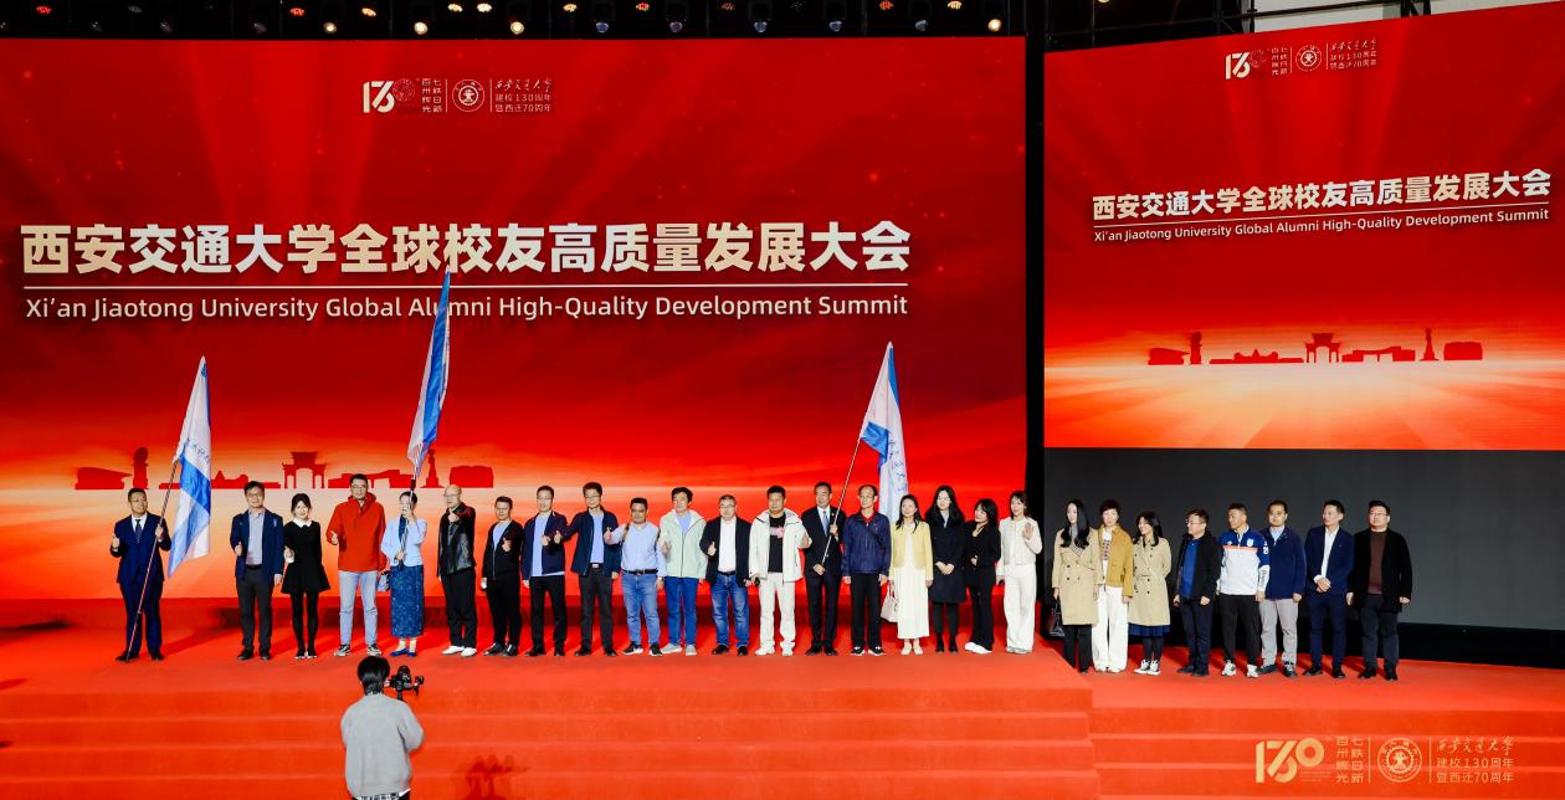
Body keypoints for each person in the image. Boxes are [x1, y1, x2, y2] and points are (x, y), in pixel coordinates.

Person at [341, 655, 423, 800]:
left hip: (361, 790)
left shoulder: (351, 713)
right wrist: (397, 747)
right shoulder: (399, 708)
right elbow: (415, 740)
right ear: (385, 681)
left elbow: (349, 744)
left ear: (361, 681)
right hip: (395, 787)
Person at [1348, 500, 1413, 681]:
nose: (1375, 517)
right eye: (1372, 513)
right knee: (1368, 633)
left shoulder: (1397, 539)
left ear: (1388, 518)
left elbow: (1406, 568)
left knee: (1389, 632)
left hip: (1389, 595)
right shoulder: (1359, 538)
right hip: (1365, 595)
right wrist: (1350, 590)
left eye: (1379, 514)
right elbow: (1351, 568)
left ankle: (1390, 667)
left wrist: (1405, 592)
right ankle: (1370, 667)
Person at [328, 474, 388, 658]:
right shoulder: (341, 508)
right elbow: (332, 530)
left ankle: (371, 644)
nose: (359, 489)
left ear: (367, 487)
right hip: (347, 566)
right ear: (350, 488)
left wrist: (381, 564)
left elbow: (382, 537)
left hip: (370, 566)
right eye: (355, 486)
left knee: (370, 607)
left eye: (362, 486)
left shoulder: (378, 508)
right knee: (346, 608)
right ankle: (345, 644)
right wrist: (333, 537)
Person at [747, 485, 810, 657]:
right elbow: (752, 548)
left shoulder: (794, 521)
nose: (774, 503)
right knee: (766, 611)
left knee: (787, 610)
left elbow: (803, 540)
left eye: (778, 500)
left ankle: (787, 643)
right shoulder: (759, 521)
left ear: (785, 500)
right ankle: (767, 644)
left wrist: (805, 541)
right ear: (768, 501)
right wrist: (754, 572)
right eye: (771, 500)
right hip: (765, 574)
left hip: (786, 574)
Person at [110, 487, 171, 662]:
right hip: (129, 577)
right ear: (129, 503)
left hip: (152, 576)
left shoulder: (158, 521)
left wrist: (161, 537)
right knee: (132, 614)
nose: (141, 503)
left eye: (143, 499)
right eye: (136, 500)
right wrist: (115, 547)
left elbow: (167, 546)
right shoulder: (120, 525)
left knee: (152, 612)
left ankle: (155, 650)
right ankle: (131, 650)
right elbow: (117, 552)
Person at [230, 480, 285, 661]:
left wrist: (278, 571)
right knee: (245, 611)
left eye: (258, 494)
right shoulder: (239, 520)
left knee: (264, 611)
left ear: (264, 496)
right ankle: (247, 647)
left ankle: (264, 648)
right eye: (251, 495)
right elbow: (234, 539)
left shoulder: (275, 520)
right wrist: (236, 547)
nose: (255, 498)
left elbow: (279, 547)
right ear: (246, 497)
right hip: (244, 573)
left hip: (264, 572)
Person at [566, 482, 620, 657]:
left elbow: (617, 544)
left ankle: (608, 646)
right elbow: (567, 532)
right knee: (586, 611)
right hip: (586, 571)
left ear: (600, 496)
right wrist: (556, 536)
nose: (590, 499)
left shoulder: (610, 518)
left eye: (594, 496)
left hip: (605, 571)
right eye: (587, 496)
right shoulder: (581, 518)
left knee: (606, 610)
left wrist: (615, 568)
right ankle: (586, 647)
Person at [1216, 503, 1269, 678]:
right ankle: (1229, 663)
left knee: (1251, 630)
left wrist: (1261, 588)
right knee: (1227, 629)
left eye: (1233, 516)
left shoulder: (1258, 538)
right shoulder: (1224, 538)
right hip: (1227, 592)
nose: (1230, 519)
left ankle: (1252, 664)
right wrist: (1218, 585)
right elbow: (1218, 565)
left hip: (1249, 592)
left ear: (1244, 517)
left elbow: (1264, 566)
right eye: (1229, 516)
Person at [1304, 499, 1354, 678]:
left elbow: (1347, 566)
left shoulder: (1348, 538)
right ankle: (1316, 665)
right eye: (1324, 512)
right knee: (1314, 628)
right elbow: (1307, 558)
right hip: (1315, 589)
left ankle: (1337, 667)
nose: (1326, 516)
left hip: (1336, 591)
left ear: (1340, 516)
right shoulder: (1314, 533)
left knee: (1338, 629)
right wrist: (1318, 579)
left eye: (1330, 513)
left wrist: (1328, 582)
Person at [609, 498, 666, 656]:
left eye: (641, 511)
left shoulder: (655, 530)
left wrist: (661, 577)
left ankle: (654, 644)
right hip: (628, 578)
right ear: (630, 511)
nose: (637, 514)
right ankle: (636, 643)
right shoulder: (625, 528)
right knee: (632, 613)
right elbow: (611, 539)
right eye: (634, 510)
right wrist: (608, 536)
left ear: (647, 512)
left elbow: (660, 555)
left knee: (651, 613)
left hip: (648, 577)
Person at [521, 485, 571, 657]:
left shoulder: (559, 519)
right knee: (536, 612)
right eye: (540, 498)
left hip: (554, 573)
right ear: (537, 499)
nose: (543, 502)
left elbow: (562, 533)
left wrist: (552, 539)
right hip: (534, 575)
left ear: (552, 500)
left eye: (546, 498)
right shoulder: (530, 523)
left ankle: (559, 646)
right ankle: (538, 646)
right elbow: (525, 551)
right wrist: (525, 574)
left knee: (559, 611)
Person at [1258, 499, 1306, 677]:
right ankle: (1268, 661)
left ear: (1285, 516)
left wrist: (1298, 589)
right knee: (1267, 628)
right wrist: (1258, 588)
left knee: (1289, 629)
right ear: (1267, 515)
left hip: (1288, 593)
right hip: (1265, 592)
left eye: (1279, 513)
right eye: (1272, 513)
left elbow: (1301, 565)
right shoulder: (1261, 536)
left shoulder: (1293, 537)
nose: (1275, 516)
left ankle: (1289, 662)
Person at [841, 484, 891, 656]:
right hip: (856, 571)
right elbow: (846, 547)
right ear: (858, 498)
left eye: (868, 496)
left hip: (875, 571)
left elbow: (888, 548)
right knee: (857, 609)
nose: (864, 499)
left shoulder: (882, 521)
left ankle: (875, 643)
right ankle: (857, 643)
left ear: (875, 499)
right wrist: (846, 571)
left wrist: (885, 571)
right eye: (862, 496)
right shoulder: (851, 521)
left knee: (875, 609)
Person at [1172, 509, 1222, 676]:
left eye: (1192, 522)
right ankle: (1192, 663)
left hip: (1201, 596)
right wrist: (1177, 592)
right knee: (1189, 632)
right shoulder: (1186, 541)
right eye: (1188, 522)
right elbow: (1180, 568)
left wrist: (1208, 594)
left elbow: (1214, 571)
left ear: (1203, 525)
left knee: (1202, 633)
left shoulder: (1211, 544)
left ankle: (1202, 666)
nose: (1188, 525)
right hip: (1185, 594)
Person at [659, 486, 707, 656]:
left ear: (689, 501)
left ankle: (690, 643)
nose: (678, 502)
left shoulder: (699, 522)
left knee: (690, 609)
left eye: (682, 499)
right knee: (672, 608)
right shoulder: (666, 519)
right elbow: (663, 539)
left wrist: (701, 572)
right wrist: (664, 546)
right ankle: (674, 642)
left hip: (691, 572)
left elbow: (702, 549)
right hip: (671, 571)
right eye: (675, 499)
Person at [700, 494, 751, 655]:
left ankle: (742, 644)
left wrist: (750, 574)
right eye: (723, 506)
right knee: (718, 612)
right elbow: (703, 542)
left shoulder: (746, 527)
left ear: (736, 507)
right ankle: (722, 643)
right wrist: (708, 548)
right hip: (718, 576)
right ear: (719, 508)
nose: (726, 509)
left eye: (729, 506)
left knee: (741, 612)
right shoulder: (711, 525)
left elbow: (752, 552)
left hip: (738, 575)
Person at [1051, 499, 1099, 672]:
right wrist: (1056, 586)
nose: (1071, 515)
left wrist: (1097, 584)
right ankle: (1069, 664)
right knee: (1069, 628)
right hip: (1067, 582)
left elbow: (1097, 560)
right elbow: (1057, 562)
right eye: (1069, 512)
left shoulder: (1092, 534)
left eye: (1075, 512)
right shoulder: (1061, 534)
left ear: (1081, 514)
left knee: (1085, 627)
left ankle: (1084, 665)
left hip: (1086, 582)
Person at [799, 481, 844, 656]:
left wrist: (837, 534)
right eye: (817, 494)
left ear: (830, 496)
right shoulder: (807, 516)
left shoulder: (839, 515)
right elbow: (804, 543)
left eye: (824, 493)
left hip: (833, 568)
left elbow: (845, 540)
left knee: (832, 606)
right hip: (814, 568)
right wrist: (813, 563)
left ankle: (829, 643)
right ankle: (816, 642)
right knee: (814, 605)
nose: (820, 497)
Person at [283, 493, 330, 659]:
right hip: (295, 571)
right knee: (296, 611)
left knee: (312, 610)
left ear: (309, 508)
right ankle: (300, 647)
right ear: (293, 510)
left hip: (312, 571)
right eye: (298, 507)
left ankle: (311, 646)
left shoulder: (315, 526)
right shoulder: (288, 527)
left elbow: (318, 551)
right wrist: (287, 554)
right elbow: (286, 552)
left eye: (304, 506)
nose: (302, 510)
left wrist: (318, 570)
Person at [381, 492, 427, 658]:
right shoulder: (392, 523)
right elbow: (384, 545)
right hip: (397, 568)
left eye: (408, 503)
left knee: (414, 604)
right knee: (399, 605)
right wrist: (395, 554)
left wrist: (411, 520)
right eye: (401, 503)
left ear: (414, 505)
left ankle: (413, 644)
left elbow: (417, 539)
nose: (404, 506)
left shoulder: (420, 522)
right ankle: (401, 643)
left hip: (413, 568)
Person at [1091, 499, 1133, 672]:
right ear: (1102, 515)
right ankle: (1101, 661)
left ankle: (1116, 662)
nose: (1109, 517)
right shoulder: (1094, 535)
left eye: (1113, 513)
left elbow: (1129, 565)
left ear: (1118, 516)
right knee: (1098, 624)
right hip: (1098, 585)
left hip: (1117, 586)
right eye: (1106, 513)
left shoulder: (1124, 537)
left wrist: (1127, 590)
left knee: (1118, 624)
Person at [435, 485, 478, 657]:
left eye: (453, 495)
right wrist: (439, 569)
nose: (449, 498)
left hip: (463, 566)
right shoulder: (444, 517)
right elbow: (441, 544)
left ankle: (470, 643)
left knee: (466, 605)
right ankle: (456, 642)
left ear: (460, 495)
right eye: (447, 495)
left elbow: (466, 518)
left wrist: (457, 518)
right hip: (447, 568)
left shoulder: (468, 511)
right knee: (451, 607)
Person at [999, 490, 1043, 654]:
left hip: (1026, 569)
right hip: (1010, 569)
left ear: (1025, 506)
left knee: (1026, 606)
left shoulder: (1031, 523)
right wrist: (1000, 572)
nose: (1015, 506)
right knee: (1010, 606)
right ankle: (1013, 641)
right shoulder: (1004, 524)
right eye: (1013, 503)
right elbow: (1001, 549)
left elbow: (1038, 549)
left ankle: (1024, 643)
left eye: (1019, 503)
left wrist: (1029, 537)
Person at [1128, 512, 1171, 675]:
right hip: (1140, 589)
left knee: (1157, 629)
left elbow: (1167, 567)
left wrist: (1155, 578)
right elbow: (1131, 566)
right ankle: (1146, 660)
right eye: (1139, 523)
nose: (1141, 526)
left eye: (1145, 523)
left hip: (1156, 590)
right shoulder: (1135, 543)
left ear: (1153, 524)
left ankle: (1156, 661)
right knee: (1145, 629)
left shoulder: (1162, 543)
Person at [890, 494, 933, 655]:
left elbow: (928, 551)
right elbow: (891, 553)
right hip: (900, 571)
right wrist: (891, 576)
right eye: (904, 506)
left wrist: (929, 575)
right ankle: (906, 642)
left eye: (910, 506)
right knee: (904, 607)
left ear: (916, 509)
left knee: (918, 606)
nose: (907, 509)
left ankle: (916, 641)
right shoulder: (894, 527)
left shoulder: (923, 526)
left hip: (919, 571)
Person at [480, 496, 522, 657]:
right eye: (498, 508)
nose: (501, 511)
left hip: (509, 577)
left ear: (510, 509)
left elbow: (517, 545)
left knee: (512, 611)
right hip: (492, 578)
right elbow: (487, 552)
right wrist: (484, 575)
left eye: (504, 509)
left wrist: (510, 548)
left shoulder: (516, 528)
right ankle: (498, 642)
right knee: (497, 612)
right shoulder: (493, 527)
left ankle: (513, 644)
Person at [926, 486, 966, 654]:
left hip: (953, 568)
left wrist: (952, 564)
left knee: (952, 605)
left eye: (945, 498)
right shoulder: (929, 518)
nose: (942, 501)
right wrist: (938, 562)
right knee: (936, 604)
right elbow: (927, 543)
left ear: (951, 501)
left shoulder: (959, 518)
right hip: (937, 566)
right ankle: (939, 639)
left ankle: (952, 639)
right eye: (939, 498)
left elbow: (961, 543)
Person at [962, 499, 1002, 655]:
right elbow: (963, 548)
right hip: (971, 574)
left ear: (989, 515)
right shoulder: (968, 527)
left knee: (984, 606)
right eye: (977, 510)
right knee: (975, 606)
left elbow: (995, 554)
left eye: (982, 511)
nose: (978, 513)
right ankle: (976, 638)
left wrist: (979, 561)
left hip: (985, 574)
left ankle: (987, 642)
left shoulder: (993, 531)